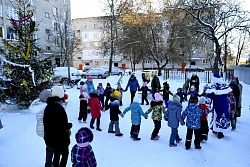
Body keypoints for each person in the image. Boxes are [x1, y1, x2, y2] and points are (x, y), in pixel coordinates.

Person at [43, 86, 73, 167]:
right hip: (61, 138)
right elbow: (63, 125)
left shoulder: (47, 107)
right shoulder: (59, 108)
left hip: (50, 137)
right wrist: (70, 125)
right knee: (64, 155)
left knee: (56, 155)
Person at [206, 74, 231, 139]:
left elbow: (209, 98)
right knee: (223, 117)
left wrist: (207, 107)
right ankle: (217, 130)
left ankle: (219, 132)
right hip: (225, 105)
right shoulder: (225, 86)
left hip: (217, 106)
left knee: (216, 117)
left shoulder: (213, 87)